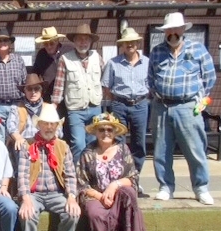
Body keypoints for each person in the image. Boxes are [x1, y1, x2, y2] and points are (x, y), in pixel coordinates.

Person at [148, 12, 216, 205]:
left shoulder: (198, 50)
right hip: (161, 107)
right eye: (168, 29)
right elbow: (150, 78)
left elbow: (209, 77)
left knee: (195, 150)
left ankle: (201, 188)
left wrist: (200, 99)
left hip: (188, 107)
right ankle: (165, 187)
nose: (172, 32)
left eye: (175, 28)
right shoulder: (157, 51)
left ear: (183, 29)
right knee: (161, 151)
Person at [78, 112, 146, 231]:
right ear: (95, 132)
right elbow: (81, 184)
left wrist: (114, 185)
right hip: (96, 197)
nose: (106, 133)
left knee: (128, 192)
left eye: (109, 130)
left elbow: (133, 177)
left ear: (115, 132)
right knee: (95, 213)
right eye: (101, 130)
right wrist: (100, 196)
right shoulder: (87, 153)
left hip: (119, 196)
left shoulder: (123, 149)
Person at [17, 104, 80, 231]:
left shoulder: (63, 146)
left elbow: (70, 175)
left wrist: (71, 197)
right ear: (38, 124)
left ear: (57, 126)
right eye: (45, 123)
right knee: (28, 214)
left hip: (56, 194)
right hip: (34, 194)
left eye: (52, 124)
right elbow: (22, 175)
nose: (49, 127)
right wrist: (25, 199)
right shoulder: (27, 145)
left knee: (72, 213)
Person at [101, 27, 149, 196]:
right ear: (122, 45)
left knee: (138, 143)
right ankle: (119, 179)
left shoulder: (147, 62)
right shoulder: (113, 63)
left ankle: (135, 180)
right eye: (126, 43)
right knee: (118, 143)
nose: (129, 45)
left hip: (140, 105)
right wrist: (116, 102)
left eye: (132, 42)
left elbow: (151, 83)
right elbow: (106, 86)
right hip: (119, 105)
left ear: (137, 44)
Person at [52, 24, 104, 165]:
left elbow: (104, 80)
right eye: (80, 39)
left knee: (94, 144)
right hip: (75, 110)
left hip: (95, 108)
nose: (83, 42)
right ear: (74, 41)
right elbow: (59, 84)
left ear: (90, 41)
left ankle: (94, 175)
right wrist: (53, 107)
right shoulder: (65, 59)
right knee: (79, 144)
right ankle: (77, 176)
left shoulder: (97, 57)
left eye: (86, 39)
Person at [32, 26, 66, 104]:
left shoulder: (68, 51)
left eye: (51, 43)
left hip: (67, 97)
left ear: (57, 41)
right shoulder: (41, 54)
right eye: (46, 44)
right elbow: (35, 73)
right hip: (48, 97)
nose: (49, 46)